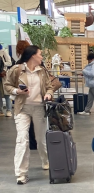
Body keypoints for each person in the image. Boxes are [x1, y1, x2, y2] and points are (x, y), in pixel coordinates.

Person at [4, 45, 54, 184]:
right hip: (22, 108)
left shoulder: (42, 71)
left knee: (40, 139)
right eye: (40, 54)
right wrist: (17, 91)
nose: (42, 57)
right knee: (22, 139)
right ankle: (21, 174)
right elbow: (7, 86)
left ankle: (45, 160)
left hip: (39, 108)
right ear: (33, 55)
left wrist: (49, 94)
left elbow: (49, 87)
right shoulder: (16, 69)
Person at [0, 44, 13, 117]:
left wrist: (2, 63)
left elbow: (9, 62)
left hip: (3, 75)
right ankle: (1, 110)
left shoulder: (3, 51)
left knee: (6, 94)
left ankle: (9, 110)